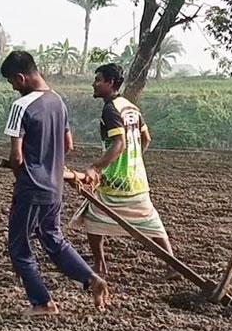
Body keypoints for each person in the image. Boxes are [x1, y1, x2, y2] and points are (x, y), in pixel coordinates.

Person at [0, 51, 109, 317]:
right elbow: (68, 145)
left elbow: (17, 156)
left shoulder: (21, 106)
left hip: (31, 187)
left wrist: (22, 173)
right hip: (54, 188)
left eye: (12, 82)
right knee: (54, 239)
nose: (13, 88)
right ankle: (91, 279)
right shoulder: (58, 101)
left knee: (18, 246)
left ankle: (42, 303)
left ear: (21, 77)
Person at [73, 63, 180, 280]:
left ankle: (100, 266)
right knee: (151, 221)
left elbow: (119, 144)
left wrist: (96, 167)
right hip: (137, 180)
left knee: (92, 217)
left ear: (110, 83)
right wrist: (134, 162)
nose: (94, 84)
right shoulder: (130, 107)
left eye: (98, 80)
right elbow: (146, 139)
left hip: (115, 181)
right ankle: (172, 266)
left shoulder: (110, 109)